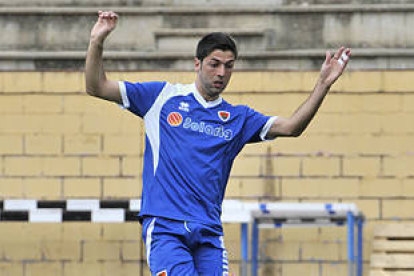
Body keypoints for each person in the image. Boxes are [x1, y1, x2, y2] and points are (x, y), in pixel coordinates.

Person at [85, 11, 351, 276]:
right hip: (166, 226)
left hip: (209, 231)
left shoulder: (239, 118)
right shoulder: (160, 97)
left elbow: (292, 127)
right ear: (197, 63)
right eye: (214, 64)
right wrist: (97, 41)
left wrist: (322, 85)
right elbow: (96, 86)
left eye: (229, 65)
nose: (222, 72)